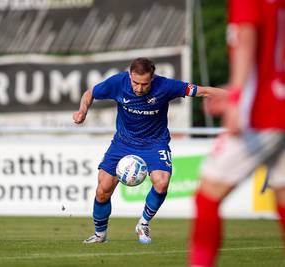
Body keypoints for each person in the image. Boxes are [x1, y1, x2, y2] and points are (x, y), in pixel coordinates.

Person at [73, 57, 225, 244]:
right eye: (135, 83)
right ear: (130, 76)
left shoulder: (166, 86)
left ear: (152, 78)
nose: (139, 88)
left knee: (162, 183)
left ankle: (143, 223)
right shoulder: (118, 83)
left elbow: (203, 91)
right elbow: (90, 93)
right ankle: (100, 235)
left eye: (144, 84)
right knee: (102, 190)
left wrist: (237, 95)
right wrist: (82, 111)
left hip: (155, 143)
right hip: (123, 143)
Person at [189, 0, 285, 265]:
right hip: (280, 103)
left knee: (207, 196)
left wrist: (237, 97)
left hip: (262, 113)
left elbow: (245, 36)